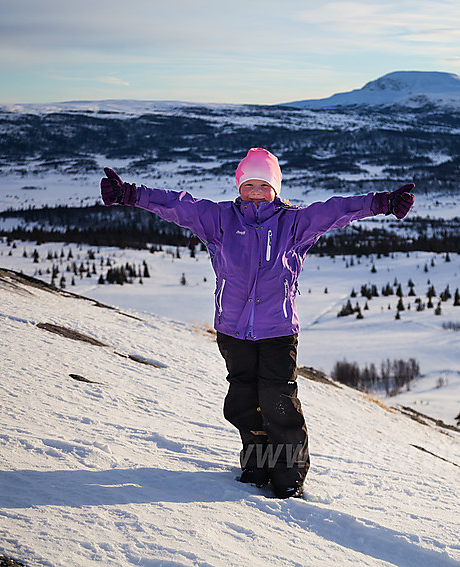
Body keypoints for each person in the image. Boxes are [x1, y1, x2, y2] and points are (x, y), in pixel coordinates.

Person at [100, 148, 414, 498]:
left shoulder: (293, 223)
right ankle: (256, 465)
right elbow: (177, 205)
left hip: (278, 332)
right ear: (238, 187)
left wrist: (382, 202)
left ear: (275, 188)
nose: (254, 191)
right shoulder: (220, 220)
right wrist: (130, 194)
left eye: (262, 185)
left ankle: (288, 479)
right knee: (243, 402)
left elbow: (336, 210)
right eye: (247, 184)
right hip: (233, 331)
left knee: (278, 403)